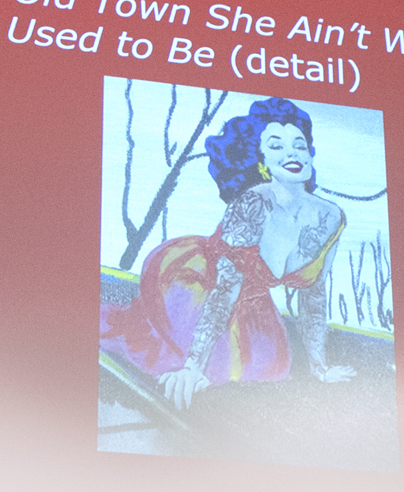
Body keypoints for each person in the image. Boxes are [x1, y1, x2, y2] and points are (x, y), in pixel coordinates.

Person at [101, 96, 355, 410]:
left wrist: (320, 368)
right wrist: (193, 366)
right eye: (276, 145)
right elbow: (225, 290)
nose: (292, 152)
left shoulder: (331, 218)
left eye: (299, 144)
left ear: (310, 154)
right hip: (200, 285)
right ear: (261, 160)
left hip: (251, 302)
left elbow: (314, 296)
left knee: (269, 368)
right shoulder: (250, 205)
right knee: (203, 368)